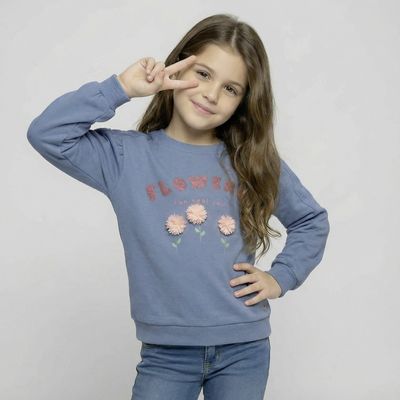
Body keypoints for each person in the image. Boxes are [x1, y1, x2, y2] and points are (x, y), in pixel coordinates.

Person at [26, 13, 330, 400]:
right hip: (166, 354)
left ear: (242, 102)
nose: (211, 94)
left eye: (230, 88)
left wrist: (281, 277)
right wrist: (121, 88)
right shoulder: (125, 157)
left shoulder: (251, 161)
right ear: (178, 65)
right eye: (203, 74)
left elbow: (311, 220)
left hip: (245, 348)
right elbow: (47, 134)